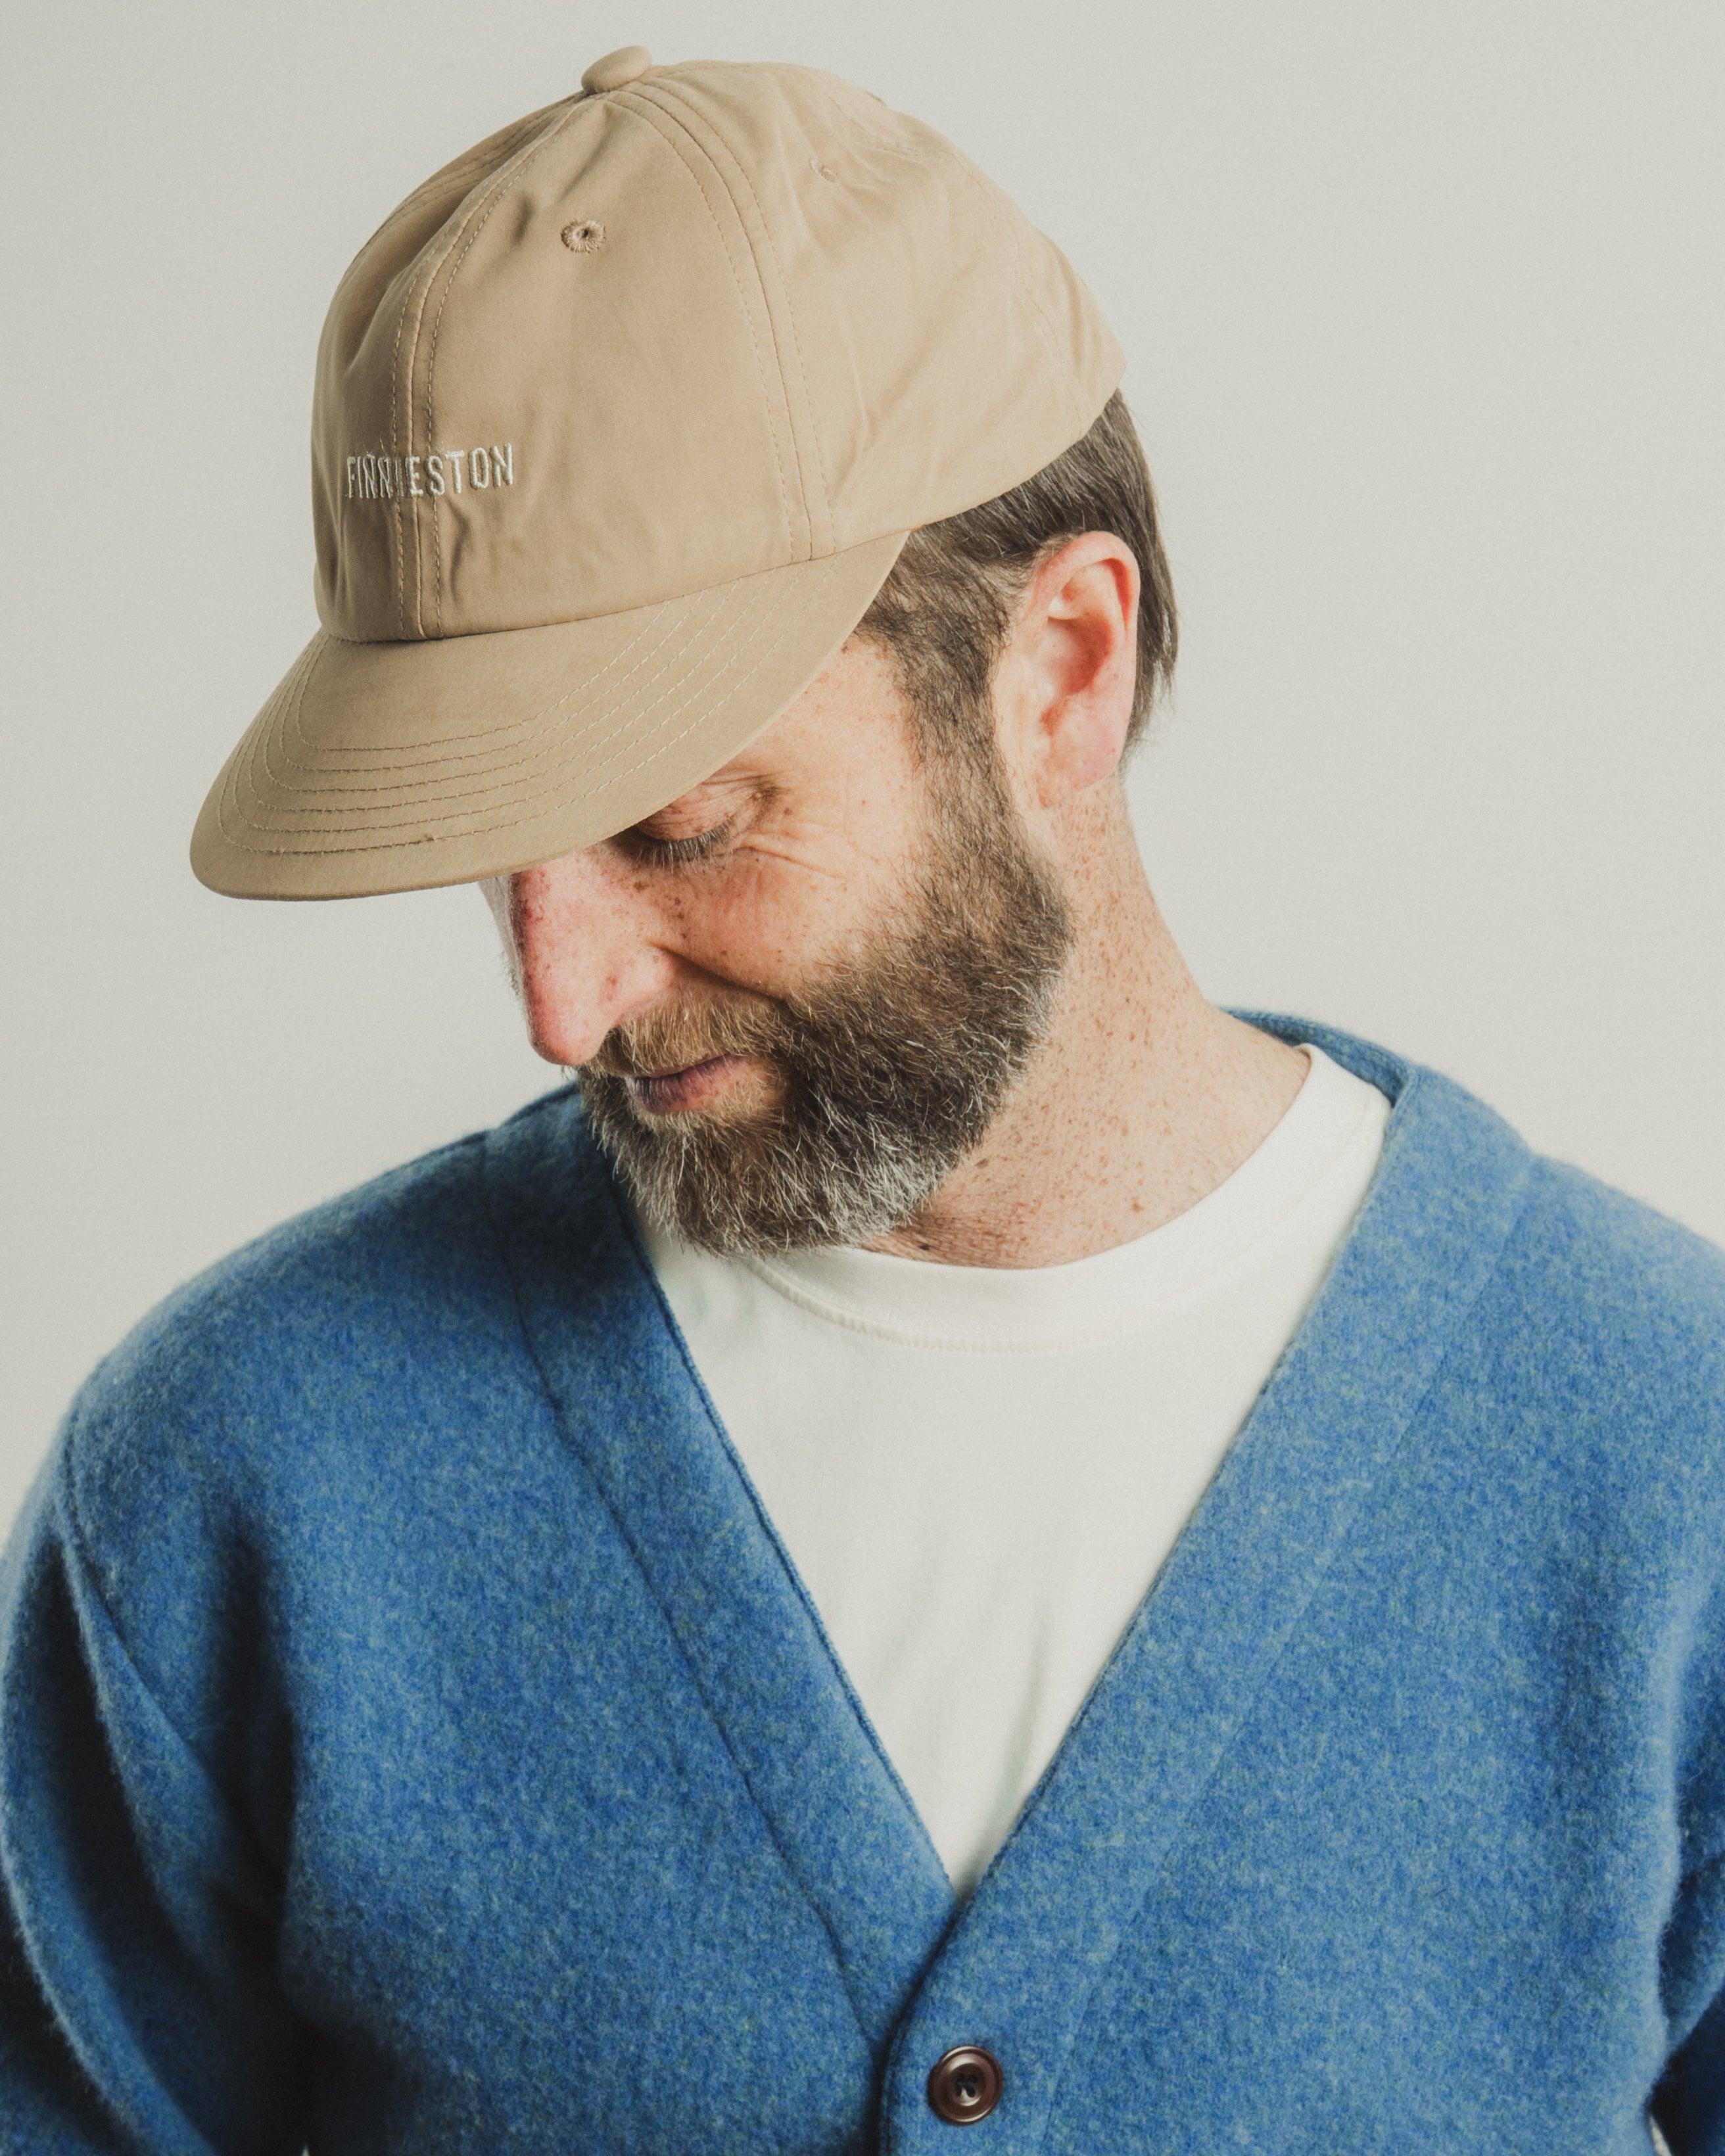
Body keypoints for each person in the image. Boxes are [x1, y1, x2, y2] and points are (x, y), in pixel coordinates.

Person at [1, 46, 1720, 2155]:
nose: (561, 1003)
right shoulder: (226, 1485)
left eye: (678, 824)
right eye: (492, 854)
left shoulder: (1664, 1467)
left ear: (1060, 673)